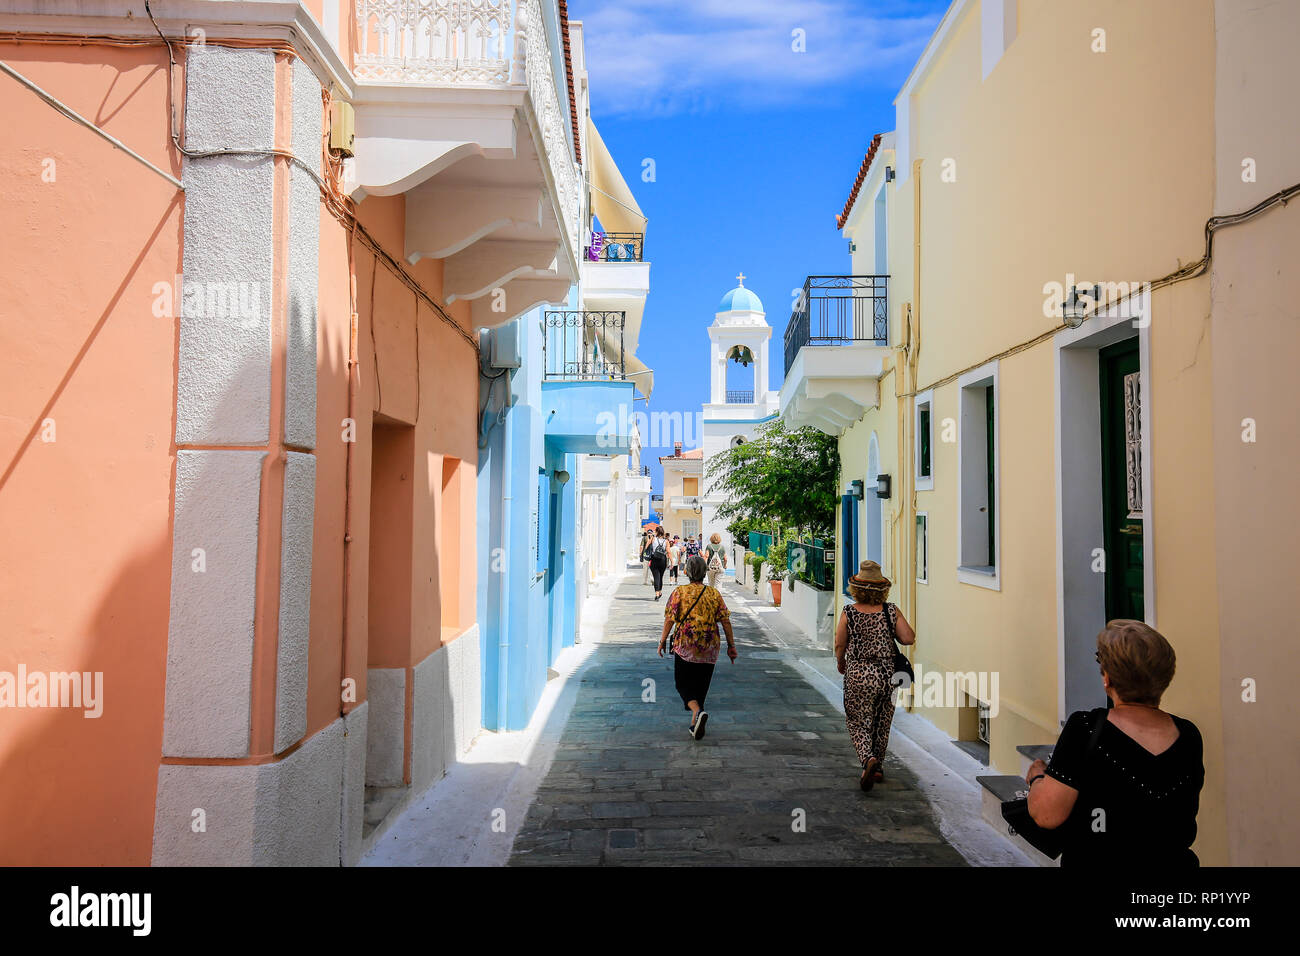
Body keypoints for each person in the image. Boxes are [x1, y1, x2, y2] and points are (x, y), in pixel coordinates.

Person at [1024, 620, 1204, 867]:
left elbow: (1046, 814)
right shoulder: (1189, 736)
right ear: (1165, 678)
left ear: (1107, 679)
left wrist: (1037, 779)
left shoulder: (1085, 728)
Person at [834, 560, 915, 791]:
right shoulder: (890, 610)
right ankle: (877, 767)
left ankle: (867, 758)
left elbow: (840, 643)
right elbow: (908, 638)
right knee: (882, 721)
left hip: (859, 672)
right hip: (888, 674)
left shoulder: (849, 612)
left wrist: (841, 661)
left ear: (856, 589)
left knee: (857, 720)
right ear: (883, 589)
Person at [657, 554, 737, 739]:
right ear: (704, 572)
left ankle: (697, 712)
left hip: (686, 645)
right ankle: (695, 722)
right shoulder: (713, 594)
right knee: (701, 686)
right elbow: (725, 621)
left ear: (687, 571)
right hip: (709, 646)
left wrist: (662, 641)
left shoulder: (680, 592)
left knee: (682, 684)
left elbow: (670, 619)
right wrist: (731, 646)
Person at [647, 527, 669, 600]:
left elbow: (647, 545)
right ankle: (659, 592)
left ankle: (657, 594)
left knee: (656, 577)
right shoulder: (666, 541)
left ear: (656, 532)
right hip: (663, 560)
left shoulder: (653, 538)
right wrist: (672, 562)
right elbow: (668, 552)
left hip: (654, 559)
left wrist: (644, 553)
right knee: (661, 577)